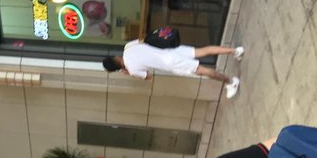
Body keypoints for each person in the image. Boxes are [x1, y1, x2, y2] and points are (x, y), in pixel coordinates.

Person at [102, 41, 243, 98]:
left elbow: (149, 77)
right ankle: (235, 51)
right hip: (170, 50)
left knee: (202, 71)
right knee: (202, 51)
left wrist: (129, 73)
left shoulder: (132, 70)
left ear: (117, 69)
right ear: (115, 57)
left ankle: (231, 82)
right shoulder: (128, 46)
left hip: (171, 63)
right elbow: (144, 40)